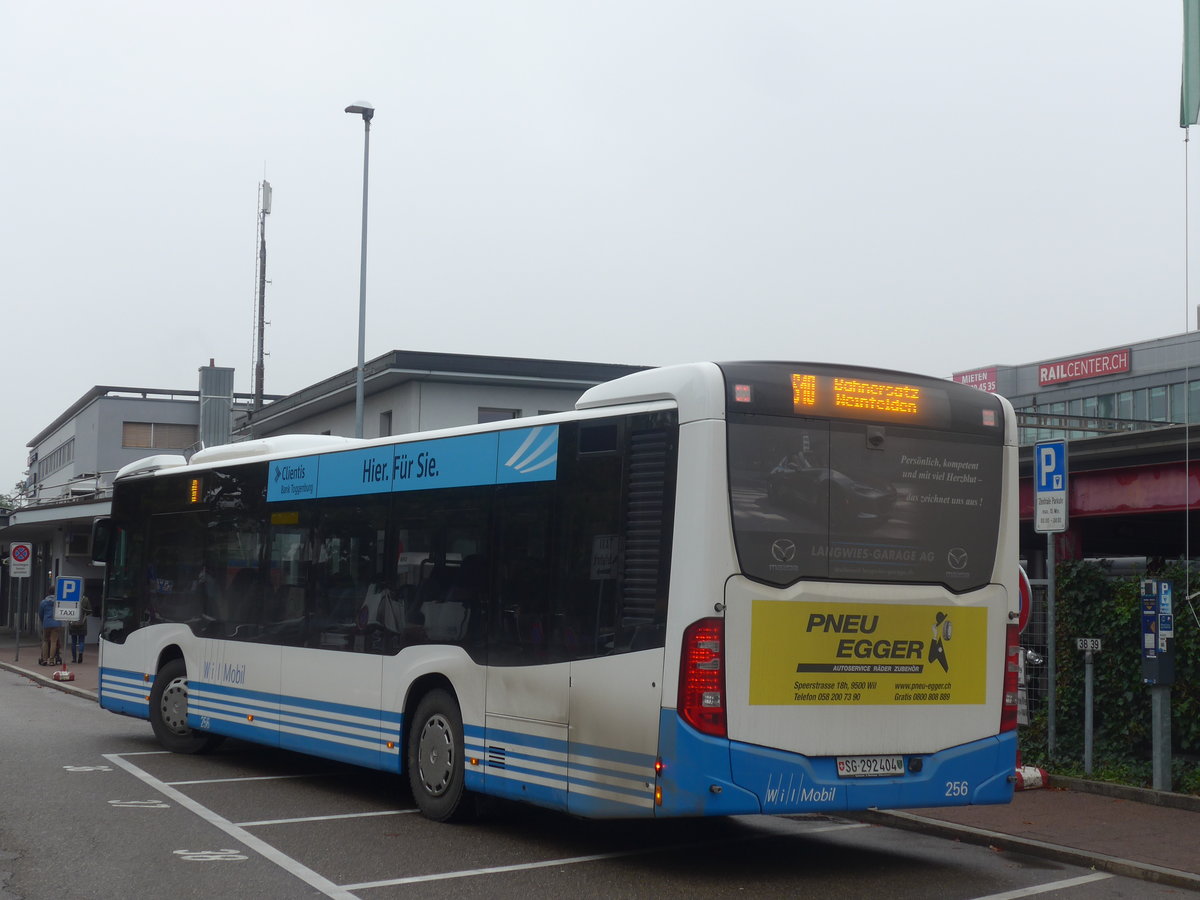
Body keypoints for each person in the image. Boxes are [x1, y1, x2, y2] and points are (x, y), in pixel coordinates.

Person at [38, 589, 63, 667]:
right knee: (54, 642)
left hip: (47, 624)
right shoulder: (58, 602)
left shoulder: (43, 602)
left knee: (45, 641)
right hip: (56, 624)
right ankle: (52, 660)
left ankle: (44, 659)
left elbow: (41, 614)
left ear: (48, 593)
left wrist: (43, 621)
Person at [69, 594, 93, 663]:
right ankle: (80, 654)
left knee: (73, 642)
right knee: (81, 641)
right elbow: (89, 611)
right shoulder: (85, 600)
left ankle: (74, 658)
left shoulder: (72, 598)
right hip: (82, 624)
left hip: (72, 624)